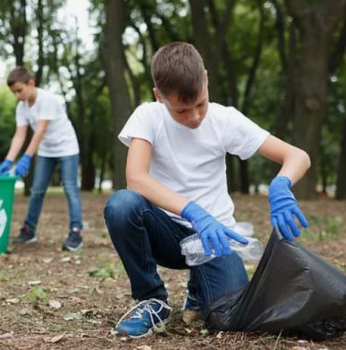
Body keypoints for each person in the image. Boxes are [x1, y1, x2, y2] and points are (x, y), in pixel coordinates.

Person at [104, 42, 310, 338]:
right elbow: (136, 179)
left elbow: (298, 156)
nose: (195, 117)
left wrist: (281, 183)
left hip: (213, 238)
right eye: (181, 109)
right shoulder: (148, 116)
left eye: (201, 103)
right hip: (165, 232)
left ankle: (199, 291)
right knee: (122, 205)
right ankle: (152, 300)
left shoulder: (225, 120)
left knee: (229, 319)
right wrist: (192, 210)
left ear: (206, 80)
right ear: (158, 96)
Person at [0, 66, 83, 251]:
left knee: (70, 188)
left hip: (66, 148)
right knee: (36, 190)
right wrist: (8, 161)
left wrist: (26, 157)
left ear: (31, 83)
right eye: (14, 92)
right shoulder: (21, 107)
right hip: (46, 150)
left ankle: (76, 232)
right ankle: (29, 230)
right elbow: (19, 135)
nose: (17, 95)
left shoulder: (47, 100)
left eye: (19, 90)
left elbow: (41, 130)